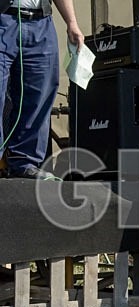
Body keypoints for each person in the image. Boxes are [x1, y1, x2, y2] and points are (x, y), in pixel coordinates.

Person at [0, 0, 83, 180]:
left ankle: (25, 162)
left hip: (41, 22)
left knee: (41, 93)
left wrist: (71, 22)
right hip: (4, 18)